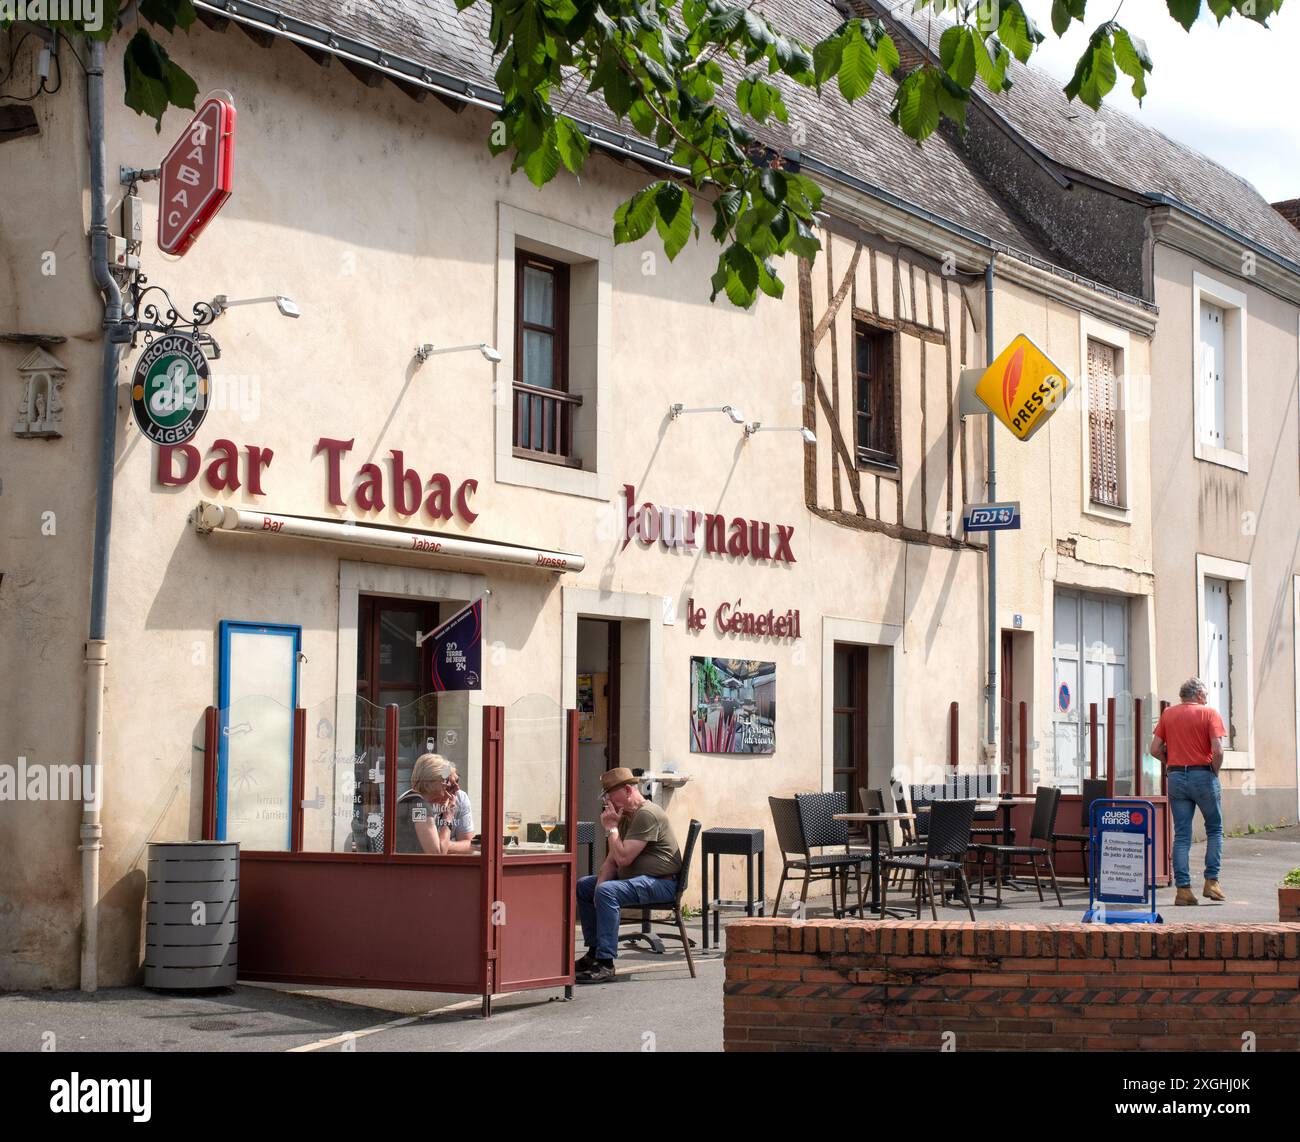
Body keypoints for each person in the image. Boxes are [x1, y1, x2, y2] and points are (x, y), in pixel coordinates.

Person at [574, 768, 682, 984]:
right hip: (637, 881)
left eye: (609, 794)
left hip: (661, 883)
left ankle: (605, 963)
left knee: (607, 891)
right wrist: (598, 887)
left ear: (627, 790)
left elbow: (624, 859)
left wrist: (611, 829)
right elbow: (612, 861)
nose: (606, 800)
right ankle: (594, 952)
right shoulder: (625, 816)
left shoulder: (646, 814)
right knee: (585, 886)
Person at [1149, 677, 1226, 905]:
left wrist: (1169, 762)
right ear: (1200, 695)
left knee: (1182, 834)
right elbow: (1218, 750)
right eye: (1206, 695)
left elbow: (1154, 749)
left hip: (1175, 776)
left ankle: (1183, 890)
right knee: (1214, 828)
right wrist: (1214, 770)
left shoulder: (1168, 714)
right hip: (1203, 774)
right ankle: (1211, 882)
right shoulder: (1209, 713)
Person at [396, 753, 476, 855]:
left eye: (457, 780)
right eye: (449, 784)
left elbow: (469, 845)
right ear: (433, 783)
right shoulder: (418, 805)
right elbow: (438, 853)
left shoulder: (411, 800)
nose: (457, 788)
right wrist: (448, 817)